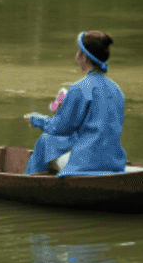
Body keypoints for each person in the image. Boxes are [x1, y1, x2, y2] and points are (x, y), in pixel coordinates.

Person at [23, 31, 126, 176]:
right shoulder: (117, 89)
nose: (76, 57)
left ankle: (31, 182)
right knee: (52, 141)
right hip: (115, 162)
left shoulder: (79, 88)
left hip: (87, 163)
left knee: (45, 140)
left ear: (85, 57)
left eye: (78, 52)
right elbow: (97, 128)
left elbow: (60, 128)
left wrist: (37, 120)